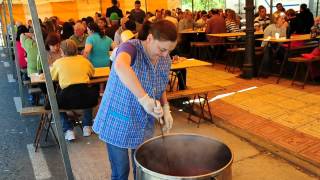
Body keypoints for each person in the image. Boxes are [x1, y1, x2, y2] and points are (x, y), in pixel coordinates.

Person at [93, 20, 177, 180]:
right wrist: (144, 99)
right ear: (150, 39)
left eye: (169, 50)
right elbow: (121, 66)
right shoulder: (131, 47)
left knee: (142, 167)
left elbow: (160, 83)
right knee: (121, 171)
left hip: (143, 120)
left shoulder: (165, 59)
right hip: (119, 118)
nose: (166, 54)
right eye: (162, 49)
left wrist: (166, 107)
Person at [51, 39, 99, 141]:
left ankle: (68, 130)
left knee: (54, 102)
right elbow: (92, 73)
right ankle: (87, 126)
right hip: (86, 99)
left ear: (62, 51)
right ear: (76, 49)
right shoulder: (84, 61)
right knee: (87, 93)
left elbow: (53, 77)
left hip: (67, 100)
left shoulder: (58, 63)